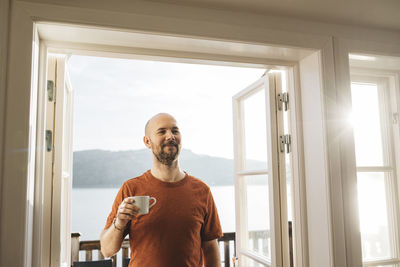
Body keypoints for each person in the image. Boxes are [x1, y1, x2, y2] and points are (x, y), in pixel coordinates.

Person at [100, 113, 223, 267]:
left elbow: (210, 248)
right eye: (162, 131)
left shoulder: (202, 191)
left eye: (175, 131)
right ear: (147, 141)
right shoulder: (131, 189)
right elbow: (107, 250)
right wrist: (119, 222)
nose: (170, 136)